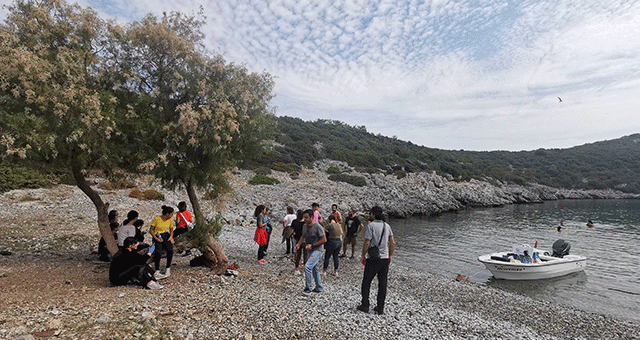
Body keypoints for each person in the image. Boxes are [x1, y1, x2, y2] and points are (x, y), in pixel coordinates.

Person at [357, 206, 395, 315]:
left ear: (373, 214)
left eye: (370, 213)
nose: (370, 215)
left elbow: (367, 242)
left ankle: (365, 305)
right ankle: (380, 307)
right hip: (385, 259)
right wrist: (390, 255)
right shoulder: (387, 226)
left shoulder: (371, 226)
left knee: (366, 282)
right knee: (382, 284)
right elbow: (392, 243)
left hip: (373, 258)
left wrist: (363, 255)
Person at [295, 209, 327, 294]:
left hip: (318, 250)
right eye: (304, 217)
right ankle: (318, 288)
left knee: (307, 267)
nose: (304, 219)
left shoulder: (318, 226)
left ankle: (308, 288)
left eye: (306, 217)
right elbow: (303, 236)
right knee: (314, 268)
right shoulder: (305, 226)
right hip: (310, 250)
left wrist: (312, 245)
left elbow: (324, 239)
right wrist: (298, 244)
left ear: (312, 217)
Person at [150, 205, 175, 279]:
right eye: (171, 214)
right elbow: (151, 230)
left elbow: (171, 229)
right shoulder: (157, 219)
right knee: (158, 252)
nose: (172, 215)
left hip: (166, 235)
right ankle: (157, 269)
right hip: (158, 235)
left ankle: (168, 268)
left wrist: (171, 237)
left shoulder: (169, 220)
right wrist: (155, 238)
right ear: (167, 214)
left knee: (170, 250)